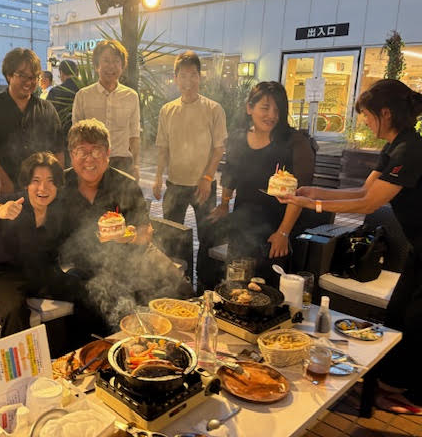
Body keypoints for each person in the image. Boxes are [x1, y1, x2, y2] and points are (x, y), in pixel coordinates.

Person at [279, 79, 422, 413]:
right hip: (418, 247)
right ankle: (389, 383)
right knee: (398, 313)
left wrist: (313, 205)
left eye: (368, 116)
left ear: (386, 113)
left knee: (417, 320)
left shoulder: (411, 150)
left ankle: (415, 397)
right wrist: (314, 192)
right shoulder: (394, 146)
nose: (365, 122)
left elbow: (369, 204)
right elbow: (361, 191)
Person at [60, 119, 192, 327]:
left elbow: (146, 233)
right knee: (114, 305)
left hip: (134, 254)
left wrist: (127, 236)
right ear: (71, 155)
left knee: (182, 290)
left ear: (108, 153)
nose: (89, 159)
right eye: (81, 151)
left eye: (96, 151)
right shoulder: (59, 185)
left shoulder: (124, 183)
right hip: (87, 265)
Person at [0, 152, 105, 339]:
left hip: (45, 274)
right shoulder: (12, 204)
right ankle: (21, 359)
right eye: (36, 180)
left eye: (50, 181)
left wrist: (107, 232)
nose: (43, 188)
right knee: (14, 311)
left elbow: (82, 234)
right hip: (5, 277)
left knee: (88, 294)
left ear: (57, 186)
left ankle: (82, 348)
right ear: (26, 184)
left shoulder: (60, 210)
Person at [198, 81, 315, 289]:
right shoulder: (239, 138)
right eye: (265, 108)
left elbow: (300, 194)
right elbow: (230, 174)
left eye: (277, 110)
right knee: (236, 276)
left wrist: (283, 233)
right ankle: (207, 291)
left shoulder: (295, 142)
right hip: (244, 220)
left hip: (279, 223)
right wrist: (224, 204)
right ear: (249, 108)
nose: (272, 115)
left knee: (266, 286)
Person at [153, 51, 227, 273]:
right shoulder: (167, 110)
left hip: (204, 185)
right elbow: (163, 147)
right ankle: (177, 283)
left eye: (193, 75)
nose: (188, 81)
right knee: (171, 238)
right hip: (175, 185)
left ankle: (206, 283)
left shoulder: (213, 109)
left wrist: (207, 177)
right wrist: (158, 177)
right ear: (175, 78)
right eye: (183, 76)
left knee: (208, 238)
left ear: (200, 76)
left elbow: (219, 149)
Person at [0, 48, 64, 196]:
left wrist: (56, 182)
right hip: (4, 188)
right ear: (9, 75)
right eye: (23, 76)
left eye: (34, 77)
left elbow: (58, 150)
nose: (29, 82)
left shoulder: (47, 109)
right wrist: (3, 179)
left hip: (40, 191)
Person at [72, 40, 140, 180]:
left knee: (124, 195)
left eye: (116, 61)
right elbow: (76, 136)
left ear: (122, 66)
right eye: (106, 61)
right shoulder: (83, 96)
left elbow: (134, 134)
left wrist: (136, 166)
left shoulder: (131, 96)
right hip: (92, 162)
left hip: (122, 163)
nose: (111, 66)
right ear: (97, 65)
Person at [48, 60, 79, 167]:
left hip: (60, 140)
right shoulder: (84, 90)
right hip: (81, 139)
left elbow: (48, 117)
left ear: (61, 73)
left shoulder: (55, 92)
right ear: (77, 72)